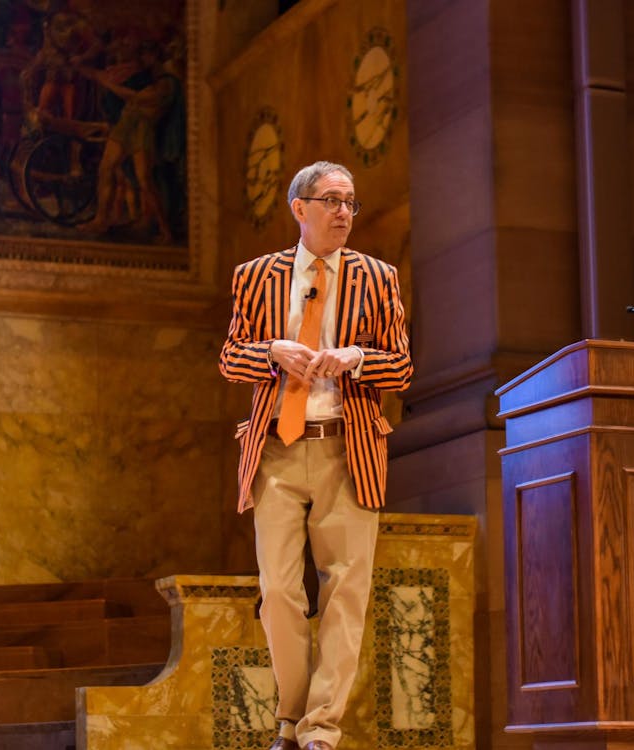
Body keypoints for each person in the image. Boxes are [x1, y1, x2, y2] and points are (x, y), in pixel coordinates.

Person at [219, 161, 412, 750]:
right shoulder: (256, 276)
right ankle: (290, 716)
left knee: (346, 592)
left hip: (347, 450)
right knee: (279, 592)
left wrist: (357, 358)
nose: (343, 212)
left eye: (350, 202)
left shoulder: (378, 277)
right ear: (299, 208)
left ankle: (320, 730)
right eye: (331, 200)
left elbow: (402, 367)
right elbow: (230, 358)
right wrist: (272, 352)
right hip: (277, 450)